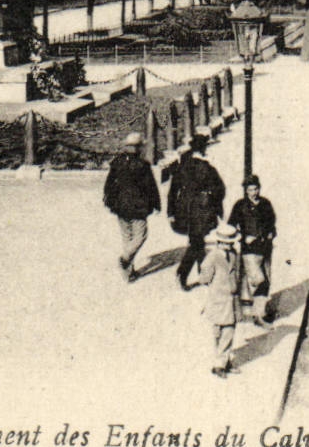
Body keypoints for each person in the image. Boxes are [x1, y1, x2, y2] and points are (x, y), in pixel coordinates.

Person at [162, 143, 225, 290]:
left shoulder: (179, 169)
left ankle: (201, 272)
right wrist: (215, 205)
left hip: (185, 211)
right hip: (203, 210)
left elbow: (172, 193)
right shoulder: (208, 168)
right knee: (197, 241)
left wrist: (171, 212)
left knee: (197, 241)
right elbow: (220, 189)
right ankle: (186, 273)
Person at [103, 133, 161, 282]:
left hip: (120, 206)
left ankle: (128, 273)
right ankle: (124, 260)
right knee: (141, 236)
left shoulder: (117, 162)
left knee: (127, 237)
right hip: (138, 207)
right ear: (138, 148)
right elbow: (151, 187)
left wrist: (109, 200)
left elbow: (109, 184)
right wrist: (156, 204)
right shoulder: (143, 165)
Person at [227, 175, 277, 326]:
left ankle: (258, 313)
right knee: (258, 281)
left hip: (265, 249)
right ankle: (258, 315)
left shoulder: (266, 204)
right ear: (245, 191)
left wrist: (271, 233)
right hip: (249, 250)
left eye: (256, 189)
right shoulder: (240, 206)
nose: (253, 192)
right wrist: (243, 237)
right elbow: (230, 226)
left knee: (265, 280)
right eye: (250, 190)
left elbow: (272, 223)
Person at [197, 223, 240, 377]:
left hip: (231, 300)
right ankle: (221, 361)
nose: (228, 246)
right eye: (226, 243)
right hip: (217, 300)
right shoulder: (212, 257)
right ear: (219, 242)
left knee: (229, 330)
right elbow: (203, 278)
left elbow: (238, 274)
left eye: (230, 243)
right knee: (218, 332)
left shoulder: (234, 254)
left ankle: (221, 364)